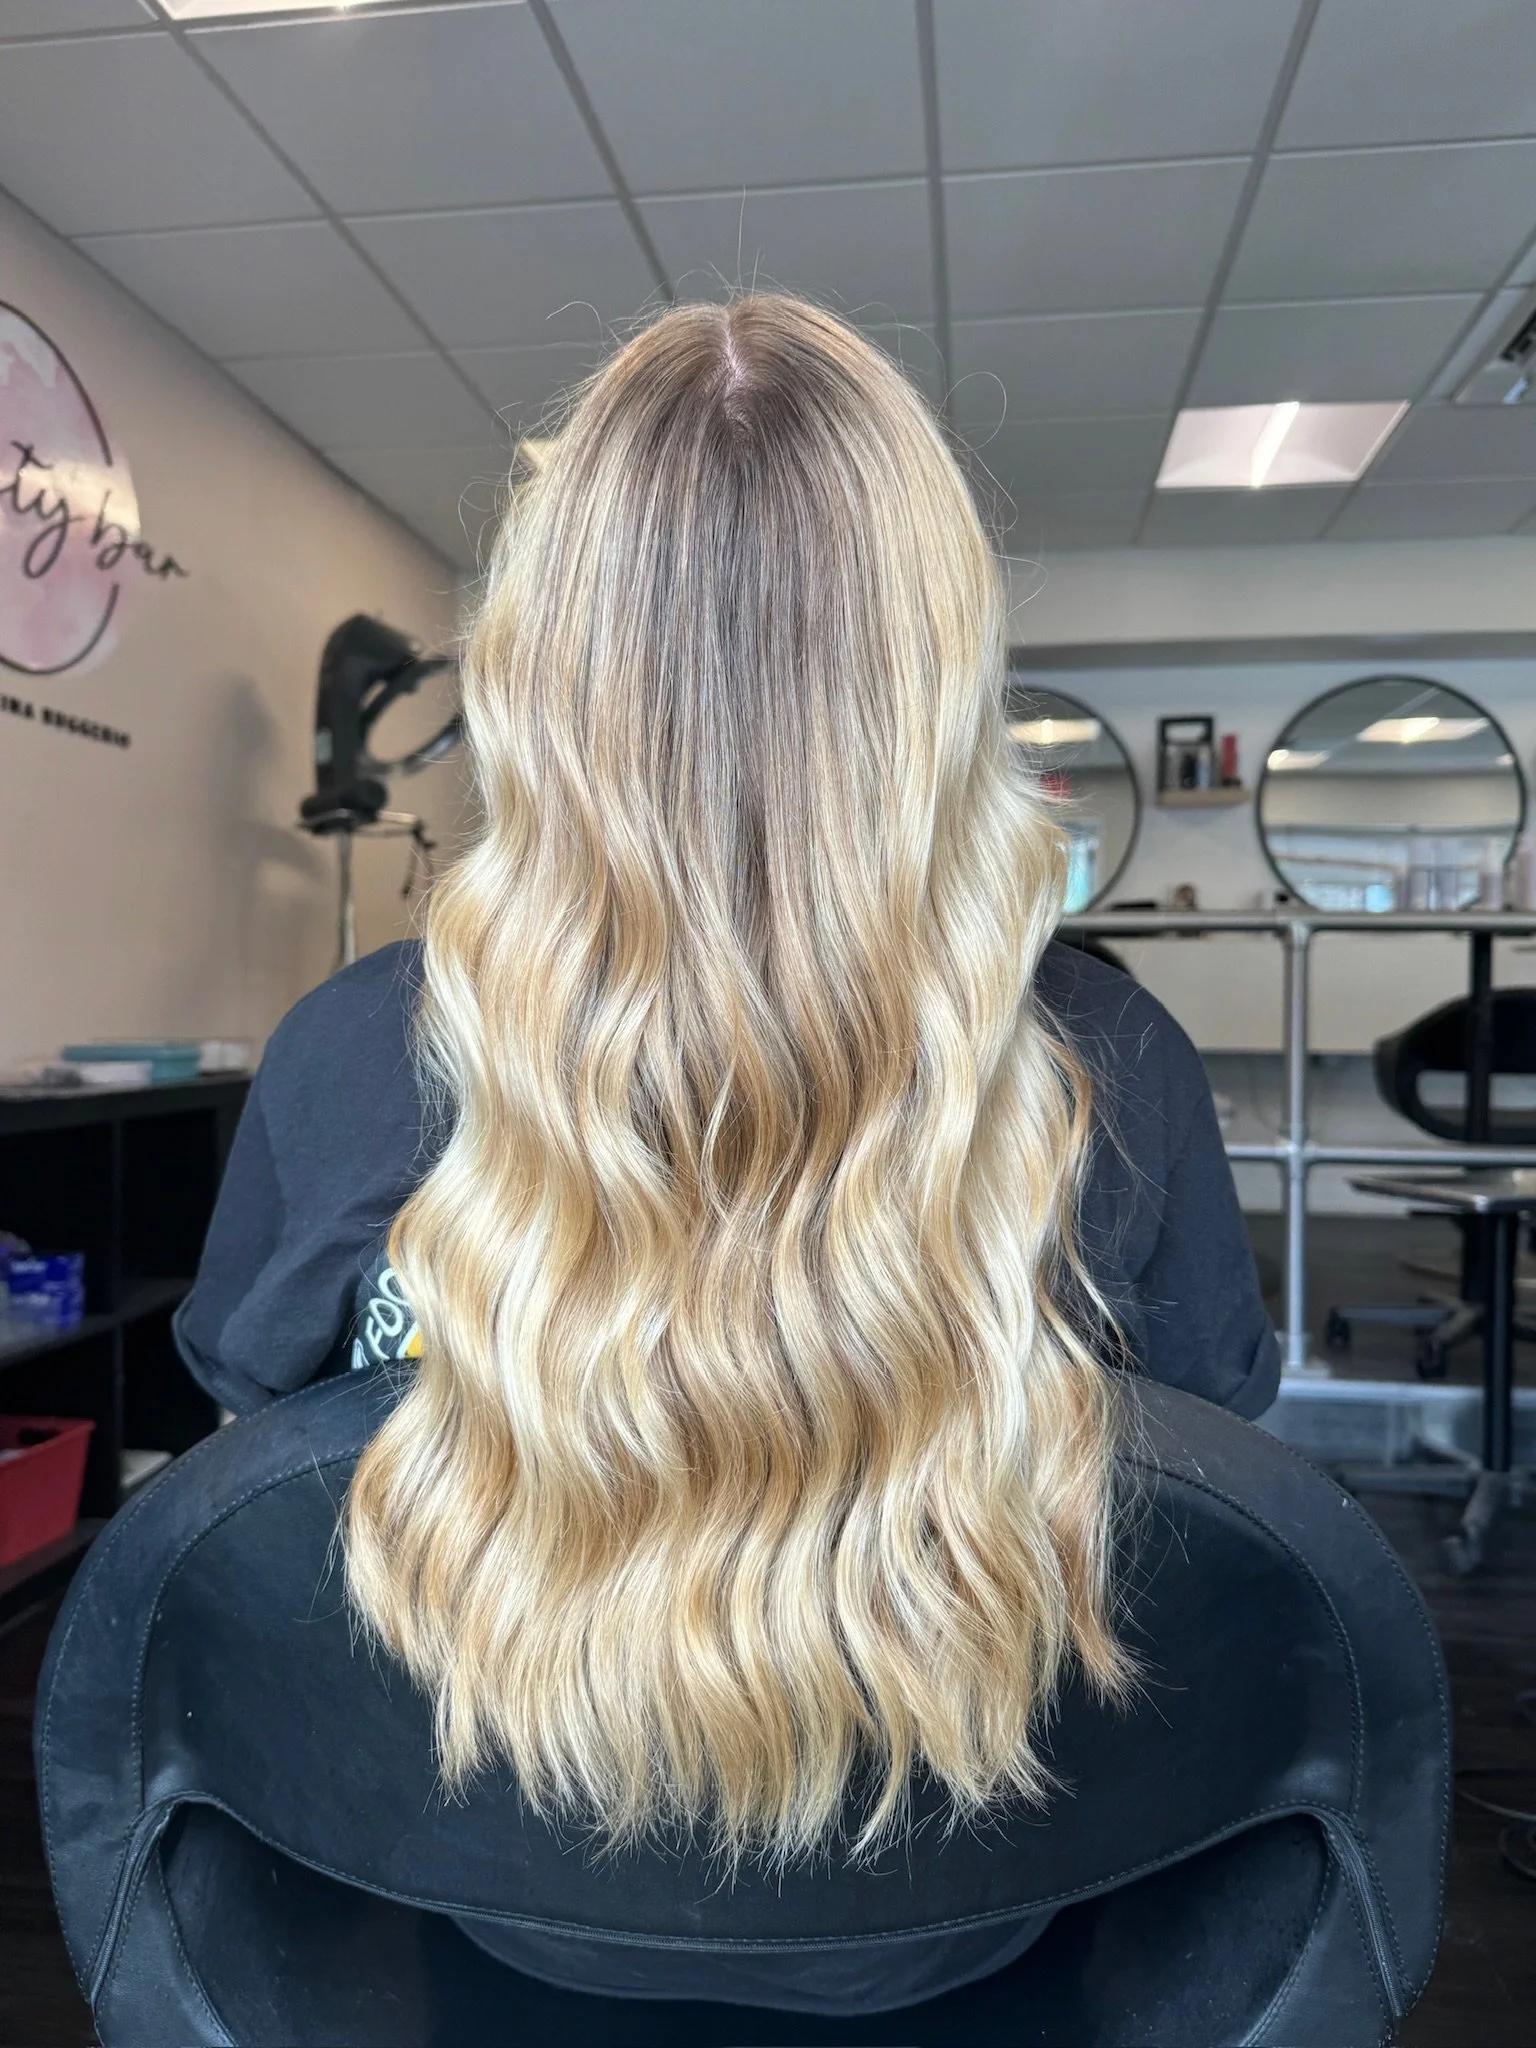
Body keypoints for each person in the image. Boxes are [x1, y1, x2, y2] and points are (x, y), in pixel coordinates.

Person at [174, 295, 1277, 2014]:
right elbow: (1215, 1519)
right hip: (966, 1919)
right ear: (935, 671)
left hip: (498, 1902)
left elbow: (255, 1504)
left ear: (542, 663)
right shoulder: (1112, 1061)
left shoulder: (347, 1053)